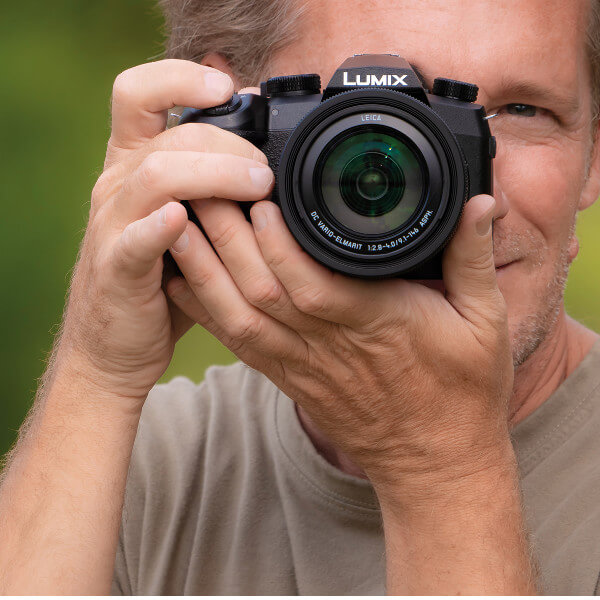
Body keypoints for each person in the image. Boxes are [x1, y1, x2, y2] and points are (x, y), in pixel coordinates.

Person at [1, 0, 600, 594]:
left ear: (593, 154)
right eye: (368, 118)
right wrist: (97, 373)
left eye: (524, 110)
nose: (462, 192)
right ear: (230, 124)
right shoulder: (148, 466)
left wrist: (436, 466)